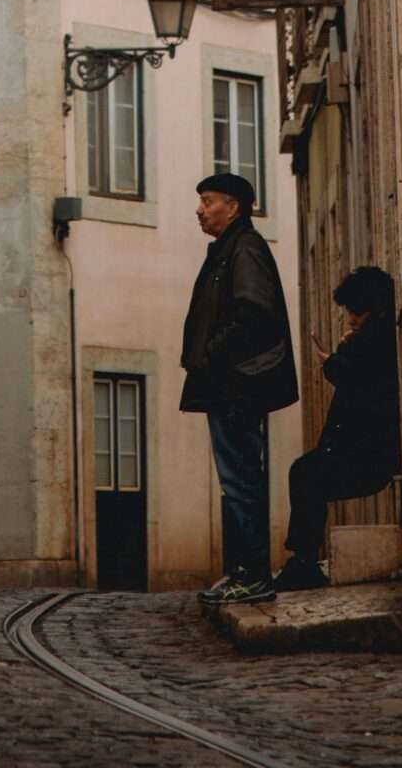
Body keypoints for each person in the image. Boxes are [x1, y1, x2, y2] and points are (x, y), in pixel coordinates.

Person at [180, 171, 298, 606]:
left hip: (236, 385)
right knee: (238, 480)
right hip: (229, 383)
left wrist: (213, 352)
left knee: (241, 480)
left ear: (233, 206)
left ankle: (252, 575)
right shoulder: (232, 249)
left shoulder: (244, 248)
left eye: (207, 200)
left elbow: (255, 313)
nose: (199, 209)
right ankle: (243, 572)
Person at [272, 263, 400, 593]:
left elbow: (358, 384)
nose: (351, 319)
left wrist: (333, 357)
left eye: (355, 312)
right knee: (305, 474)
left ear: (373, 308)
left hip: (370, 455)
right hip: (361, 450)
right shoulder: (372, 339)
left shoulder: (379, 341)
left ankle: (303, 562)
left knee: (305, 475)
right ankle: (303, 560)